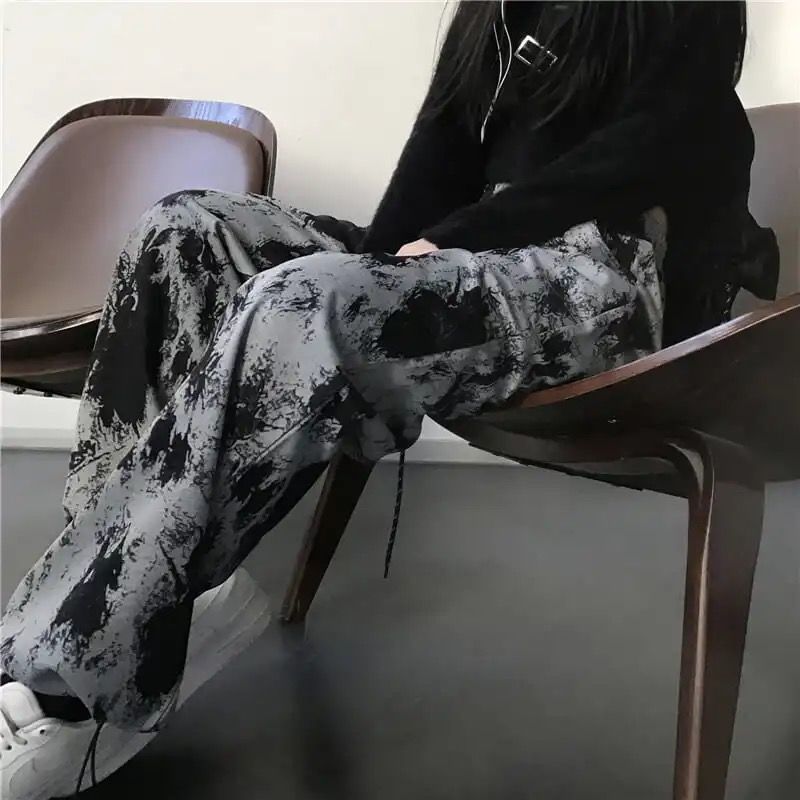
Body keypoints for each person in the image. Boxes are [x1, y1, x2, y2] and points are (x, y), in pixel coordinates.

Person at [0, 2, 778, 797]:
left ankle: (71, 678)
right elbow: (441, 150)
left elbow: (659, 145)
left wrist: (453, 241)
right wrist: (374, 270)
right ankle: (125, 602)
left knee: (306, 303)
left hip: (608, 281)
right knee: (186, 233)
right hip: (490, 254)